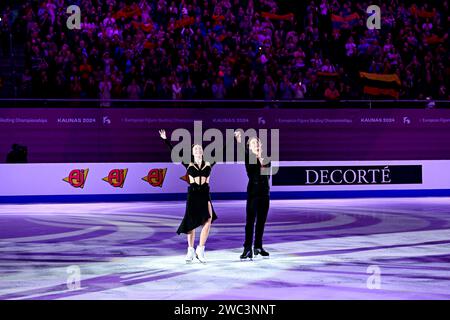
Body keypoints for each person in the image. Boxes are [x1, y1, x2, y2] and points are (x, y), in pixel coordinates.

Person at [159, 129, 217, 263]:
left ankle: (200, 249)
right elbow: (174, 152)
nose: (198, 150)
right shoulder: (188, 163)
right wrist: (165, 139)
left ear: (202, 151)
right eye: (195, 149)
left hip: (205, 194)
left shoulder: (208, 163)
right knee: (191, 223)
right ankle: (190, 250)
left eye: (199, 148)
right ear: (192, 152)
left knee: (208, 220)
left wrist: (233, 139)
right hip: (193, 194)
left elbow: (221, 152)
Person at [235, 131, 271, 260]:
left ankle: (258, 246)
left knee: (261, 221)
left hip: (265, 193)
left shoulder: (267, 158)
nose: (255, 144)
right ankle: (247, 248)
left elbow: (267, 176)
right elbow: (241, 151)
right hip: (253, 193)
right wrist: (239, 139)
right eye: (252, 143)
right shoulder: (248, 157)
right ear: (249, 147)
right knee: (250, 222)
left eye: (257, 142)